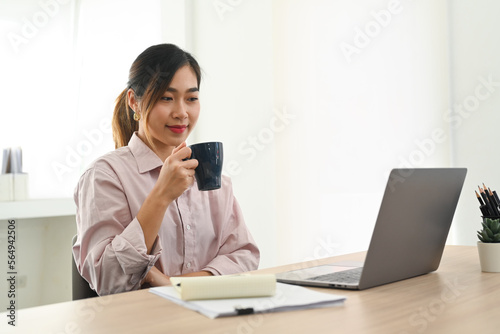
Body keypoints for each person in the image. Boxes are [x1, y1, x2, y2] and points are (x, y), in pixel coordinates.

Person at [72, 44, 260, 296]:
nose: (182, 113)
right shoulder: (105, 175)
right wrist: (161, 195)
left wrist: (173, 285)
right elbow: (108, 279)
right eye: (166, 98)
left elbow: (245, 256)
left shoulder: (213, 178)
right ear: (134, 102)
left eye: (191, 99)